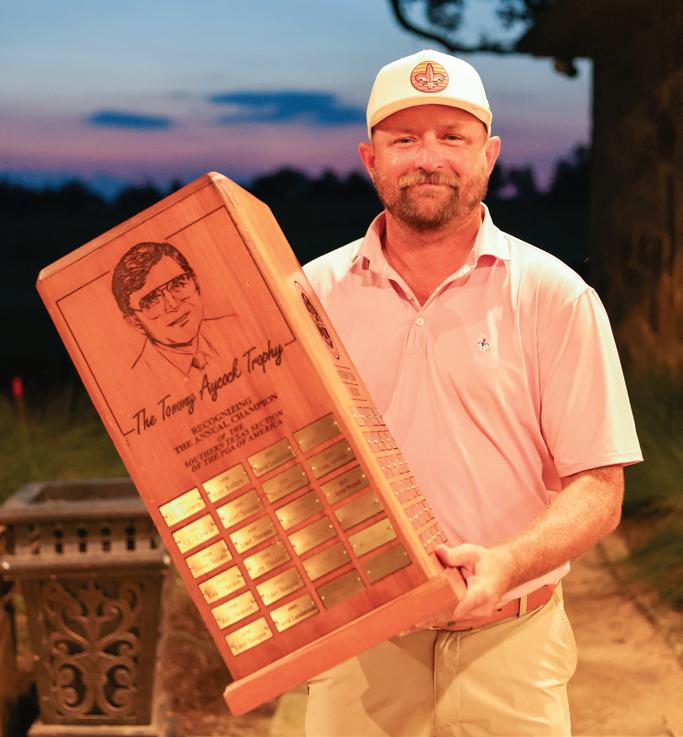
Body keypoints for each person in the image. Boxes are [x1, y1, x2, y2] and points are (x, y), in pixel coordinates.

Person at [302, 49, 642, 737]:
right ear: (370, 159)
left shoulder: (554, 296)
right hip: (359, 648)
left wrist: (505, 564)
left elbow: (599, 487)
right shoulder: (309, 297)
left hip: (511, 648)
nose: (428, 158)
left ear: (488, 156)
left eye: (452, 137)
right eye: (404, 139)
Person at [112, 241, 238, 380]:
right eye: (151, 301)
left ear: (196, 283)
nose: (173, 304)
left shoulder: (236, 326)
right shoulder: (137, 379)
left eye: (178, 284)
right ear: (135, 323)